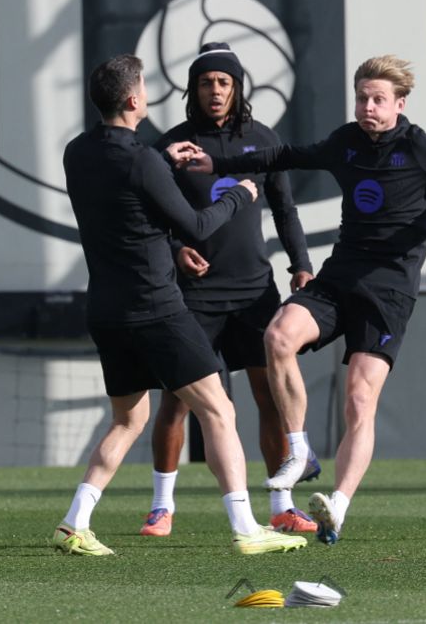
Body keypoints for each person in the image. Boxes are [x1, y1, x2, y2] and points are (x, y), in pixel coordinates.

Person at [168, 54, 426, 545]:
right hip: (340, 278)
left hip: (388, 292)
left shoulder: (419, 146)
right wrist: (219, 163)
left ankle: (337, 504)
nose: (367, 106)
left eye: (378, 99)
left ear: (399, 103)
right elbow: (283, 157)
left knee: (360, 400)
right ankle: (298, 449)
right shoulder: (346, 143)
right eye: (362, 97)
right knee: (277, 336)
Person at [54, 53, 307, 557]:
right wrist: (237, 194)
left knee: (127, 420)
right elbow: (193, 227)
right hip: (156, 308)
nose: (148, 94)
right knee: (218, 410)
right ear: (132, 99)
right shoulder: (146, 157)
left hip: (105, 310)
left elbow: (126, 187)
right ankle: (245, 528)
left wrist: (162, 166)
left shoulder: (77, 152)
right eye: (144, 87)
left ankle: (74, 521)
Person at [140, 42, 317, 540]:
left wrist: (301, 265)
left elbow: (285, 209)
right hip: (193, 296)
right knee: (178, 402)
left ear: (237, 88)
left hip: (253, 291)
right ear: (192, 90)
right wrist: (176, 250)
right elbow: (151, 216)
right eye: (206, 82)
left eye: (224, 82)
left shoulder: (262, 141)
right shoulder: (171, 146)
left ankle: (281, 503)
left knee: (269, 397)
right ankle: (161, 506)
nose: (215, 91)